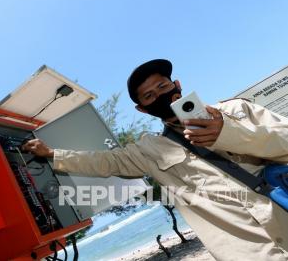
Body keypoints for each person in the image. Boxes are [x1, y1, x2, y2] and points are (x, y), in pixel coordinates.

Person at [22, 59, 288, 261]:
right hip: (252, 252)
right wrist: (53, 154)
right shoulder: (149, 150)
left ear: (177, 85)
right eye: (149, 96)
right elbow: (103, 161)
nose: (159, 95)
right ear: (143, 109)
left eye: (163, 86)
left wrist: (229, 133)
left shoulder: (237, 110)